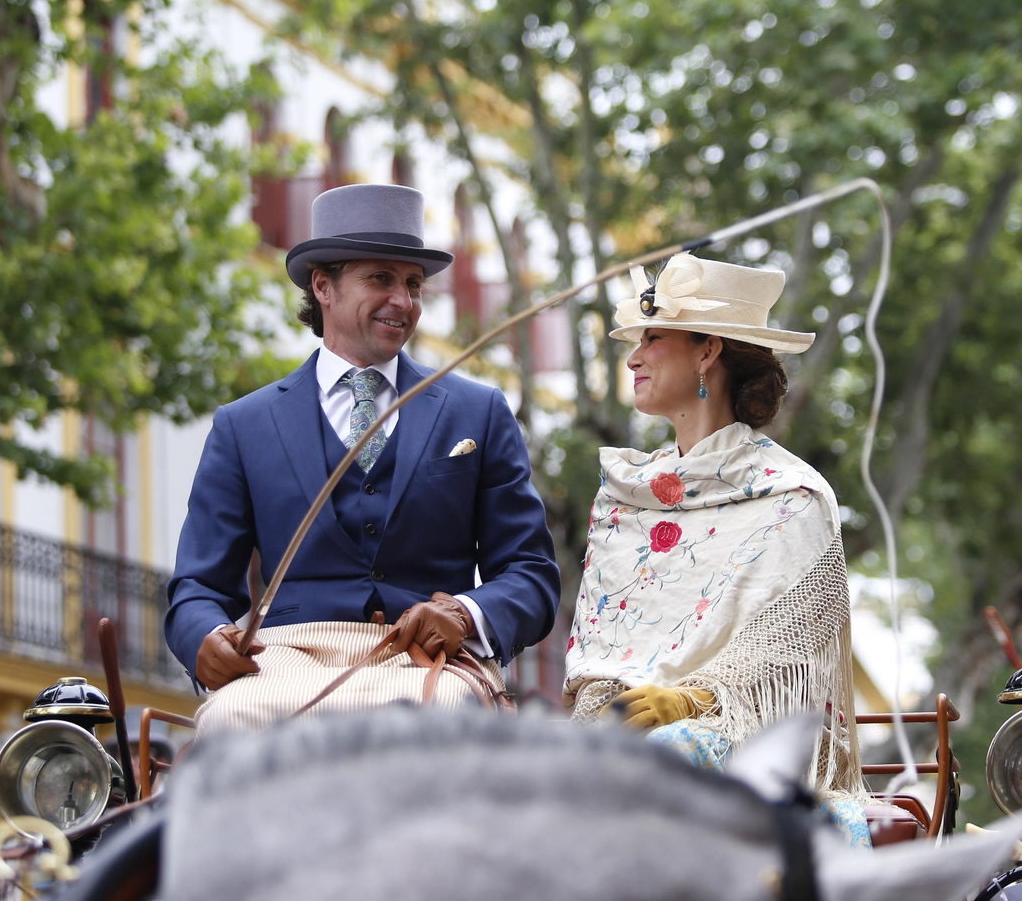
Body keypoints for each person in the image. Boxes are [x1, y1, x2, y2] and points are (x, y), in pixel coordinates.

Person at [166, 183, 561, 719]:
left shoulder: (479, 412)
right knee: (234, 722)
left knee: (441, 723)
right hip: (285, 658)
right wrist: (206, 638)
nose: (403, 301)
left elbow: (530, 571)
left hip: (430, 661)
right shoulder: (245, 425)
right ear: (322, 286)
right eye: (380, 278)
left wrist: (466, 615)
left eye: (414, 284)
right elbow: (198, 584)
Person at [565, 252, 863, 799]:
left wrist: (688, 703)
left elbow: (786, 666)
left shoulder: (794, 497)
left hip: (748, 753)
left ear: (708, 349)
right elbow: (597, 660)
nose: (633, 359)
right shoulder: (624, 496)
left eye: (652, 338)